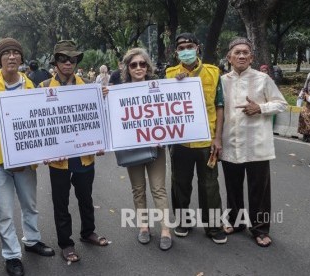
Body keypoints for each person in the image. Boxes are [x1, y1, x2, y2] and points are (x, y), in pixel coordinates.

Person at [0, 38, 54, 276]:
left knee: (30, 204)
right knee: (5, 211)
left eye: (15, 53)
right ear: (0, 59)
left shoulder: (29, 85)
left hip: (25, 160)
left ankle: (32, 239)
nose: (11, 57)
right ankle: (11, 255)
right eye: (6, 53)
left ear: (21, 58)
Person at [39, 40, 109, 263]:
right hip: (58, 158)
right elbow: (37, 124)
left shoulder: (89, 86)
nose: (68, 63)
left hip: (84, 155)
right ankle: (66, 244)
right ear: (56, 62)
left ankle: (88, 232)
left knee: (85, 197)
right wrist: (43, 150)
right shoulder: (42, 88)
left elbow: (99, 117)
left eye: (72, 59)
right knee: (61, 202)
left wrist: (101, 142)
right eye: (63, 59)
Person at [221, 37, 288, 247]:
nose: (241, 55)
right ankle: (236, 221)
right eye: (237, 52)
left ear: (251, 57)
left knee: (259, 189)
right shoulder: (222, 81)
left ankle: (260, 229)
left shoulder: (263, 79)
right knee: (232, 187)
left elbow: (281, 104)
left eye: (245, 53)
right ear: (229, 57)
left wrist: (260, 108)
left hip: (257, 144)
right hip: (230, 143)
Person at [165, 33, 227, 244]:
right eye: (181, 47)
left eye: (189, 46)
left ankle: (213, 226)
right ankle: (183, 221)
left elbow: (220, 107)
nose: (186, 50)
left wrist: (218, 138)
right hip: (180, 142)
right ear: (176, 52)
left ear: (198, 47)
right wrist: (175, 84)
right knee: (179, 183)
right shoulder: (169, 74)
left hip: (207, 141)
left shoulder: (213, 73)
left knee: (209, 185)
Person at [119, 47, 172, 250]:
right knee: (138, 189)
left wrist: (163, 135)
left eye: (142, 64)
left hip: (156, 146)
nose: (139, 68)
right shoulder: (119, 91)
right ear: (128, 68)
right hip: (132, 148)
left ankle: (166, 229)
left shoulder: (158, 88)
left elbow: (168, 116)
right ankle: (143, 226)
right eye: (134, 65)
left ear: (148, 66)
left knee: (158, 188)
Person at [298, 72, 310, 142]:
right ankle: (305, 134)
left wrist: (308, 98)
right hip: (308, 104)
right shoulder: (309, 75)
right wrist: (301, 97)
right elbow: (305, 88)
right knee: (303, 114)